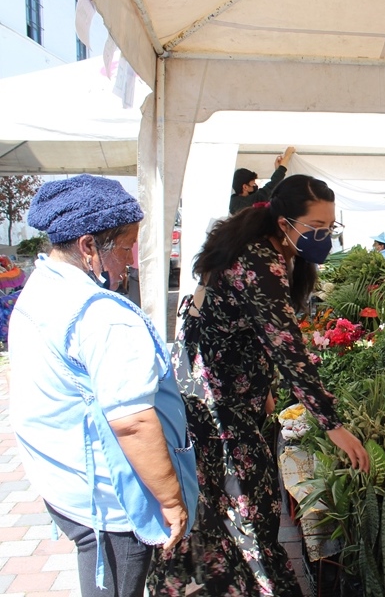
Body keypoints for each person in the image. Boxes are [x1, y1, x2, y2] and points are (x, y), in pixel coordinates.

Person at [148, 174, 369, 596]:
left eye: (331, 228)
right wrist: (333, 425)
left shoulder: (257, 246)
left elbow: (221, 322)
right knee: (250, 509)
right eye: (317, 228)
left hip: (212, 391)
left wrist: (260, 384)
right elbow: (290, 349)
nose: (324, 237)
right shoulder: (258, 263)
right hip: (216, 407)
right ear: (284, 223)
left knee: (229, 505)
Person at [8, 175, 198, 597]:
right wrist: (169, 501)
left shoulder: (41, 286)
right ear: (89, 246)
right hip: (110, 505)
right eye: (128, 245)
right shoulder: (102, 316)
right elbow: (131, 423)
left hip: (64, 485)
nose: (132, 259)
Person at [229, 146, 296, 215]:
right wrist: (288, 155)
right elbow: (273, 184)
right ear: (245, 187)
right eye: (253, 184)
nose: (255, 186)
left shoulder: (233, 203)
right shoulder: (249, 201)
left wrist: (277, 170)